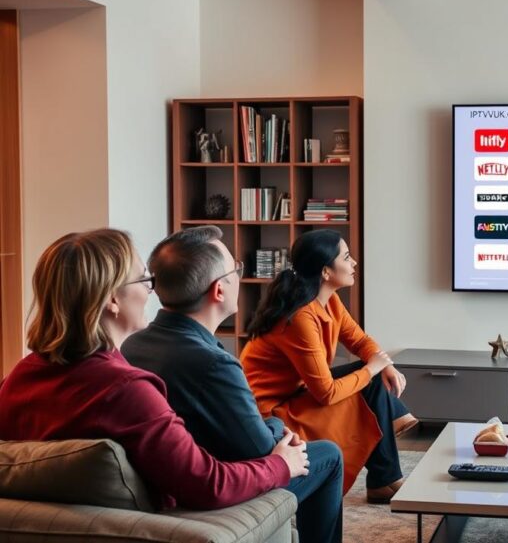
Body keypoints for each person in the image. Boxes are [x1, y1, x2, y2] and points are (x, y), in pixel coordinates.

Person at [0, 229, 309, 510]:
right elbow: (208, 483)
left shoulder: (17, 379)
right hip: (154, 527)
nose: (152, 290)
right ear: (112, 299)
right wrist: (280, 464)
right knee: (326, 458)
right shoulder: (126, 390)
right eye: (143, 280)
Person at [122, 226, 343, 543]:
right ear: (219, 291)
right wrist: (277, 427)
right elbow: (260, 449)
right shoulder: (213, 363)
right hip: (216, 487)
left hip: (175, 477)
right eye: (236, 269)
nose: (239, 275)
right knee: (328, 456)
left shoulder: (132, 344)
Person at [241, 229, 418, 503]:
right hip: (271, 412)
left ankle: (386, 474)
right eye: (346, 257)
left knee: (369, 374)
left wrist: (386, 366)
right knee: (368, 377)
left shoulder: (328, 300)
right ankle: (386, 472)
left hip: (297, 391)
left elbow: (359, 340)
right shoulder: (300, 317)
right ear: (325, 272)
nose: (354, 262)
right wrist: (372, 369)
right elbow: (326, 393)